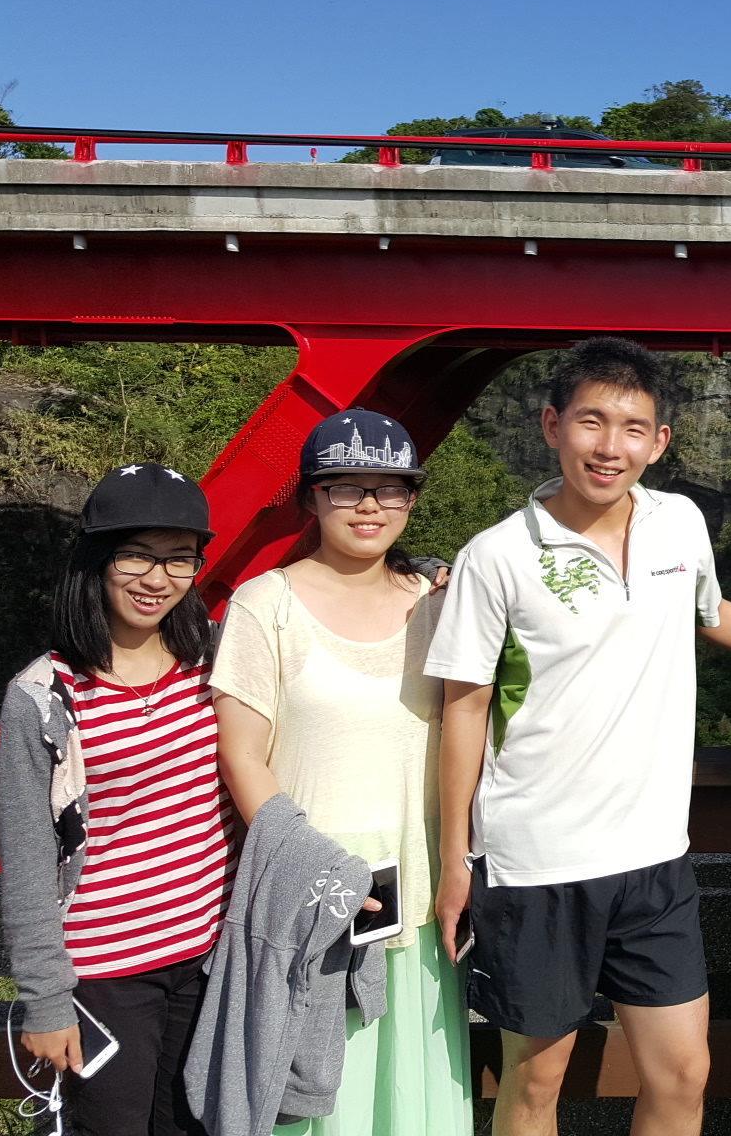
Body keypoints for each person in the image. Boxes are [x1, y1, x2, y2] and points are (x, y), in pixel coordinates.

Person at [425, 338, 731, 1136]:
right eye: (591, 422)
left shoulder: (678, 522)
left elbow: (712, 614)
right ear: (553, 426)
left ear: (659, 442)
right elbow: (464, 709)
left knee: (684, 1074)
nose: (609, 446)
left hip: (655, 857)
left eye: (632, 428)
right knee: (535, 1083)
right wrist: (455, 861)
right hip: (535, 861)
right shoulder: (497, 556)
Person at [209, 410, 472, 1134]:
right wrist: (322, 873)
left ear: (411, 500)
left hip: (418, 886)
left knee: (406, 1088)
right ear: (311, 499)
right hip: (314, 888)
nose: (368, 506)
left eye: (389, 489)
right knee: (319, 1092)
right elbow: (241, 754)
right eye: (345, 487)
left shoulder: (442, 603)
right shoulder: (266, 605)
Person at [0, 462, 236, 1136]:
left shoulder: (218, 659)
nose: (157, 579)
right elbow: (28, 859)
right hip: (104, 973)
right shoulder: (44, 696)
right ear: (97, 559)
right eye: (136, 555)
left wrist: (420, 578)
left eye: (179, 558)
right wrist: (45, 999)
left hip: (209, 954)